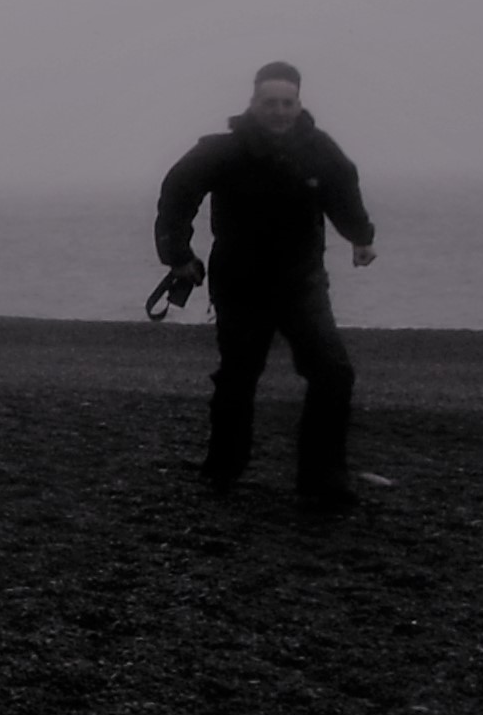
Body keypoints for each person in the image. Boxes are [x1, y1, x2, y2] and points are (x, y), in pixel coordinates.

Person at [155, 62, 378, 503]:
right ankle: (223, 469)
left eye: (287, 103)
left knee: (334, 375)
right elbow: (177, 193)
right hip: (240, 281)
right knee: (239, 375)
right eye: (269, 103)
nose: (279, 111)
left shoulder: (319, 149)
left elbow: (342, 189)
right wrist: (179, 256)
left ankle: (324, 480)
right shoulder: (223, 150)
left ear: (299, 104)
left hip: (303, 282)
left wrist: (360, 238)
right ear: (253, 104)